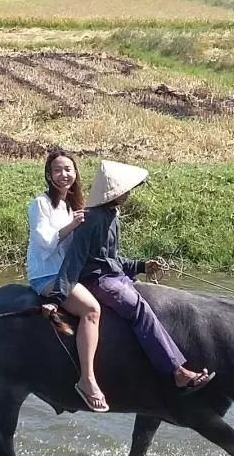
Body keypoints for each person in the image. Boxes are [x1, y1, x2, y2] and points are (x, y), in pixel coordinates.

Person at [45, 159, 216, 396]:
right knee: (140, 310)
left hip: (114, 276)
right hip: (99, 282)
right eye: (125, 190)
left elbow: (113, 258)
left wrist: (142, 266)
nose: (128, 194)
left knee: (152, 300)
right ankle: (177, 371)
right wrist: (57, 297)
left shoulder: (111, 215)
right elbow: (74, 261)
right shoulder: (90, 219)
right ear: (113, 193)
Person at [26, 150, 109, 413]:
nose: (64, 175)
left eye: (68, 169)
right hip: (47, 275)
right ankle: (87, 379)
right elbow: (45, 244)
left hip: (69, 274)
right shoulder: (40, 204)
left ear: (76, 173)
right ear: (49, 176)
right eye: (58, 170)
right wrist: (72, 226)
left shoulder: (72, 206)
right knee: (91, 309)